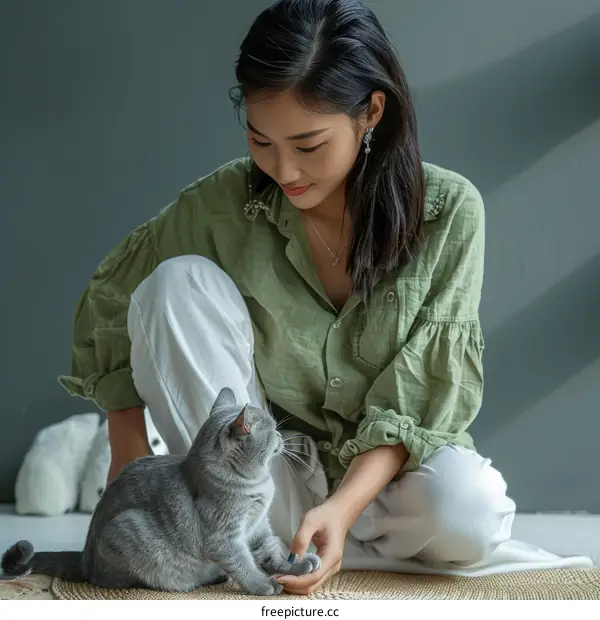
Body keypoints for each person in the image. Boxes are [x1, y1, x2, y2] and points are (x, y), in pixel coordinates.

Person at [57, 0, 592, 595]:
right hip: (256, 477)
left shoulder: (449, 212)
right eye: (261, 141)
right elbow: (112, 297)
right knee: (172, 283)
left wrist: (341, 509)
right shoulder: (222, 204)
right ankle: (268, 538)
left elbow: (418, 400)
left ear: (371, 112)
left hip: (385, 486)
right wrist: (129, 451)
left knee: (469, 512)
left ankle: (289, 541)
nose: (283, 169)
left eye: (308, 145)